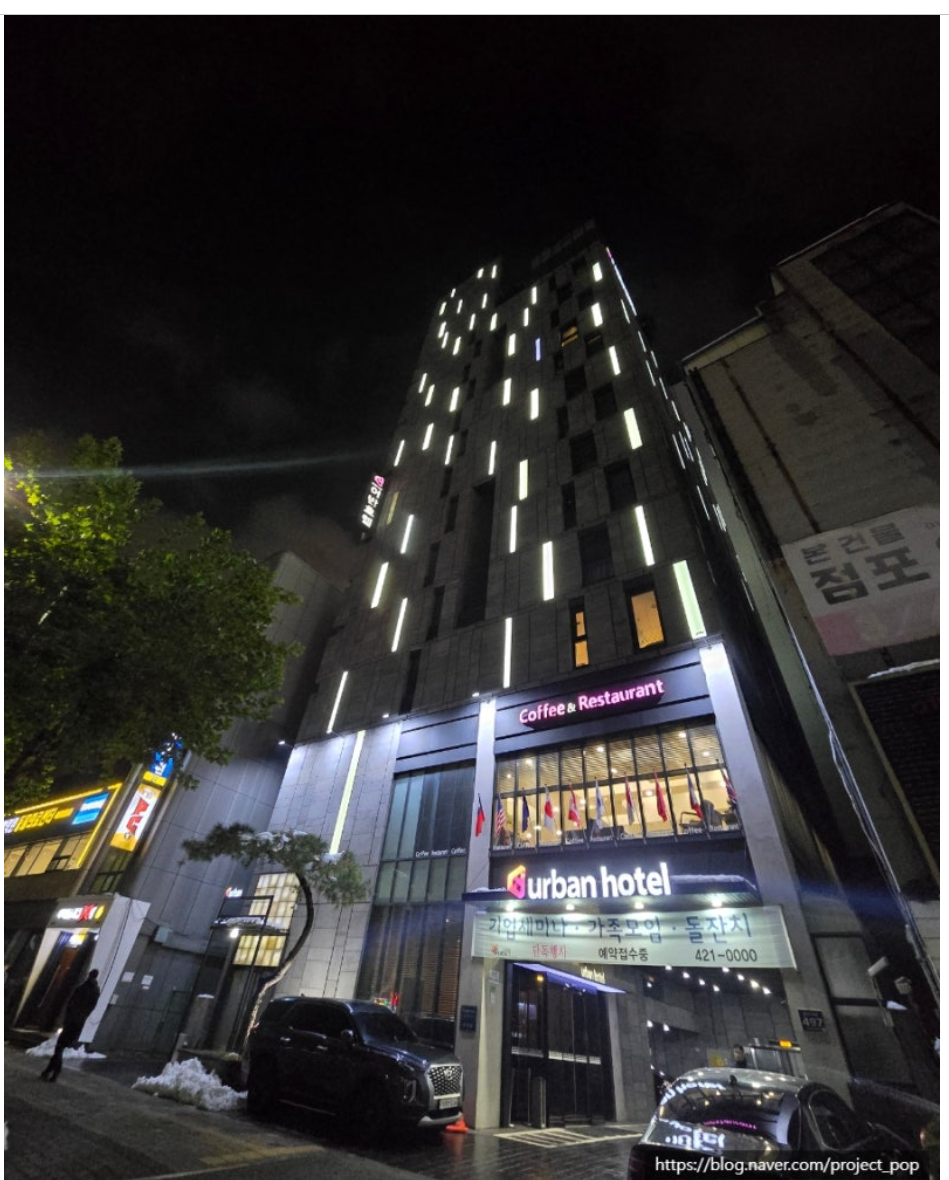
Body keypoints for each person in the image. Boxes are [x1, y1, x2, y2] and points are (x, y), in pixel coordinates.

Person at [40, 969, 100, 1082]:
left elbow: (71, 1004)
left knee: (59, 1048)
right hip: (78, 1024)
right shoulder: (96, 991)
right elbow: (90, 1008)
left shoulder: (82, 988)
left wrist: (67, 1018)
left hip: (71, 1022)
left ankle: (55, 1072)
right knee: (60, 1048)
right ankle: (48, 1071)